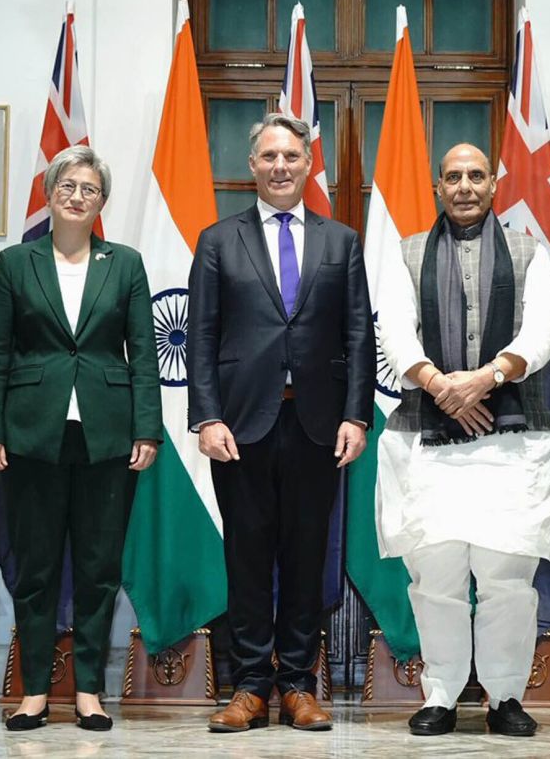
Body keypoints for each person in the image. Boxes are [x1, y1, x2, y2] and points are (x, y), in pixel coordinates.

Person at [186, 114, 375, 733]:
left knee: (304, 558)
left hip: (317, 423)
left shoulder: (341, 241)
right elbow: (203, 336)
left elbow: (356, 332)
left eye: (291, 156)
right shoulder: (218, 240)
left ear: (307, 163)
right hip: (240, 426)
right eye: (268, 155)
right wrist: (206, 416)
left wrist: (356, 414)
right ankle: (248, 687)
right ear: (253, 166)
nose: (280, 166)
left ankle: (297, 684)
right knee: (245, 556)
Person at [374, 143, 550, 737]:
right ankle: (441, 695)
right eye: (453, 176)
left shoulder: (530, 252)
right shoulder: (406, 253)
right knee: (436, 579)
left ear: (493, 185)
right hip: (426, 440)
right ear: (438, 185)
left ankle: (505, 697)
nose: (464, 186)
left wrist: (485, 379)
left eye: (476, 176)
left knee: (507, 579)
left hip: (513, 440)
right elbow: (396, 333)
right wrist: (440, 386)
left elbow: (542, 333)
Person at [0, 146, 161, 732]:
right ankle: (34, 692)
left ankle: (88, 692)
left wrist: (147, 429)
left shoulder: (125, 264)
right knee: (36, 567)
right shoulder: (15, 263)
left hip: (106, 435)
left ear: (101, 202)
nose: (78, 195)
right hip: (33, 433)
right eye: (68, 185)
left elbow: (143, 355)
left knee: (98, 568)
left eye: (89, 188)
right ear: (51, 194)